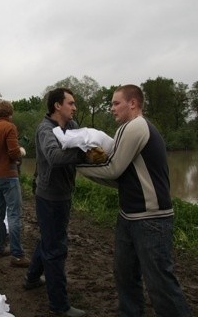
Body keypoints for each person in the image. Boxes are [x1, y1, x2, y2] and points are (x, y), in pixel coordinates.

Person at [77, 85, 191, 316]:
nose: (111, 109)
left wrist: (77, 166)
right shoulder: (125, 129)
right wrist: (88, 169)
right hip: (128, 215)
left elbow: (113, 169)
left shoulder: (137, 126)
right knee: (125, 274)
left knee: (160, 284)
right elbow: (122, 179)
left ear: (133, 104)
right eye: (111, 104)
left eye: (116, 103)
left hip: (151, 219)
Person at [25, 88, 88, 317]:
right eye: (70, 103)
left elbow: (81, 141)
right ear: (57, 106)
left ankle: (31, 277)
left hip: (63, 193)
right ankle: (59, 305)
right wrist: (83, 155)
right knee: (56, 248)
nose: (74, 107)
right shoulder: (45, 130)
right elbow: (53, 156)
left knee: (50, 239)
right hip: (49, 196)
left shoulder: (70, 127)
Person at [0, 100, 28, 267]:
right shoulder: (9, 127)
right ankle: (17, 255)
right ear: (11, 112)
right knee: (14, 214)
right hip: (8, 176)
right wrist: (20, 154)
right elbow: (13, 151)